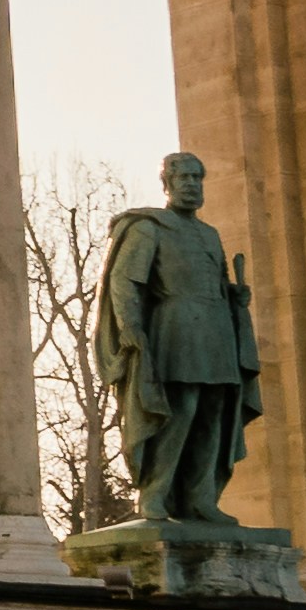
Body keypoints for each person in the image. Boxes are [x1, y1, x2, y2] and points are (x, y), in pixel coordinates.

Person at [98, 150, 261, 525]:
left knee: (214, 413)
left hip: (216, 330)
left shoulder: (209, 233)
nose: (191, 185)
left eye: (197, 178)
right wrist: (129, 326)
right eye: (183, 178)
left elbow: (216, 283)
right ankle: (155, 493)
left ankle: (201, 498)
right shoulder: (149, 227)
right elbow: (124, 280)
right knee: (180, 410)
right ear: (167, 184)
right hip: (175, 328)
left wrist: (235, 297)